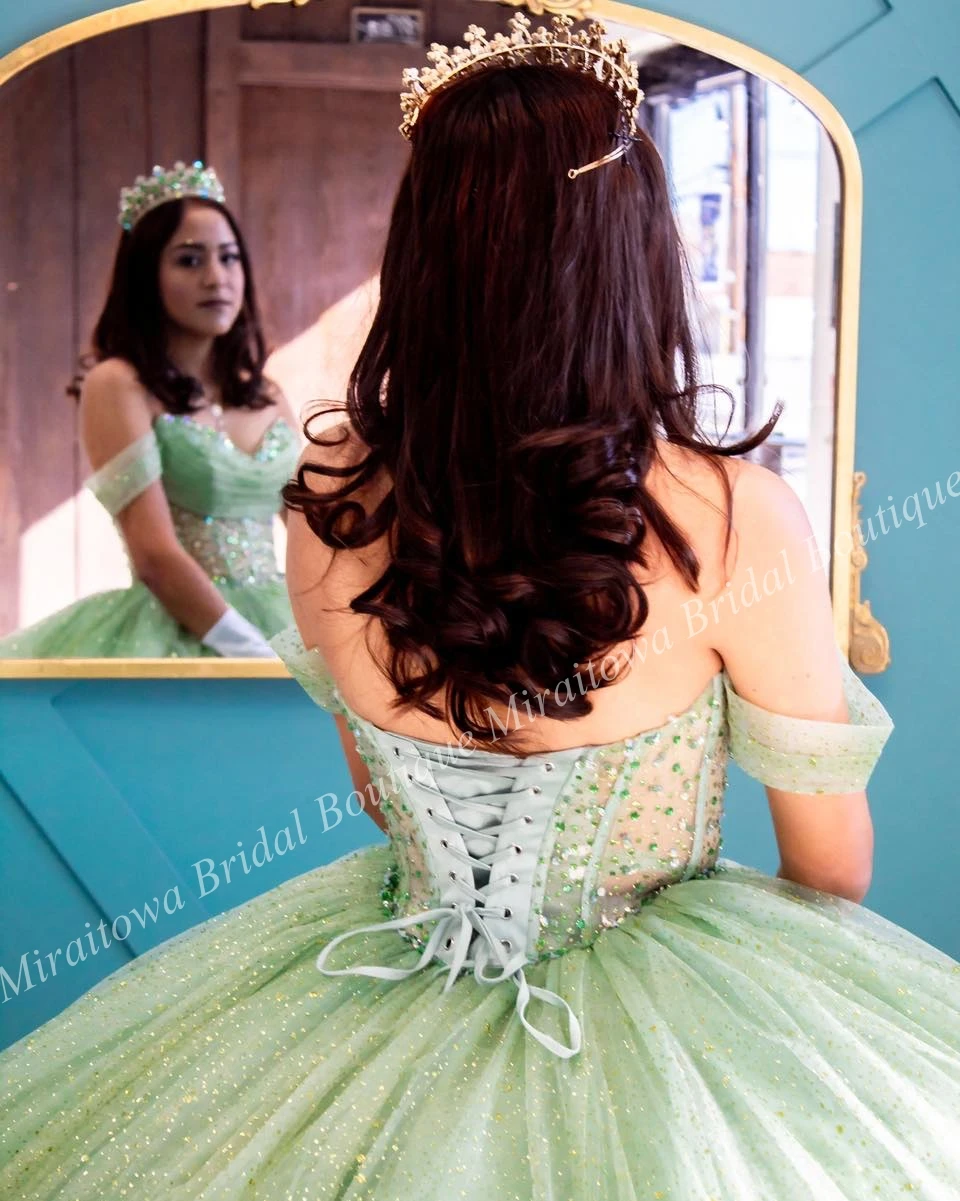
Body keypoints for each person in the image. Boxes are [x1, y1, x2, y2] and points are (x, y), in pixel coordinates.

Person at [1, 16, 959, 1199]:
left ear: (420, 255)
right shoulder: (730, 513)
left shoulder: (326, 496)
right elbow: (833, 869)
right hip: (667, 1021)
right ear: (632, 250)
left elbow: (371, 786)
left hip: (365, 993)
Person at [0, 161, 300, 659]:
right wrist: (250, 654)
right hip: (178, 632)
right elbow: (155, 555)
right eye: (188, 260)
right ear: (145, 275)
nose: (215, 278)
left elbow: (319, 534)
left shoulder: (265, 393)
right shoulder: (117, 383)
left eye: (229, 259)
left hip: (283, 621)